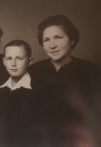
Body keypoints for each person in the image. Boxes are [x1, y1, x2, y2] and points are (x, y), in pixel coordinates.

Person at [28, 15, 101, 146]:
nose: (52, 45)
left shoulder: (91, 70)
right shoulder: (33, 70)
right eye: (46, 40)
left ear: (72, 40)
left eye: (58, 37)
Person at [0, 40, 41, 146]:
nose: (13, 64)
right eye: (9, 59)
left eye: (19, 58)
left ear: (30, 61)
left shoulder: (40, 91)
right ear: (4, 61)